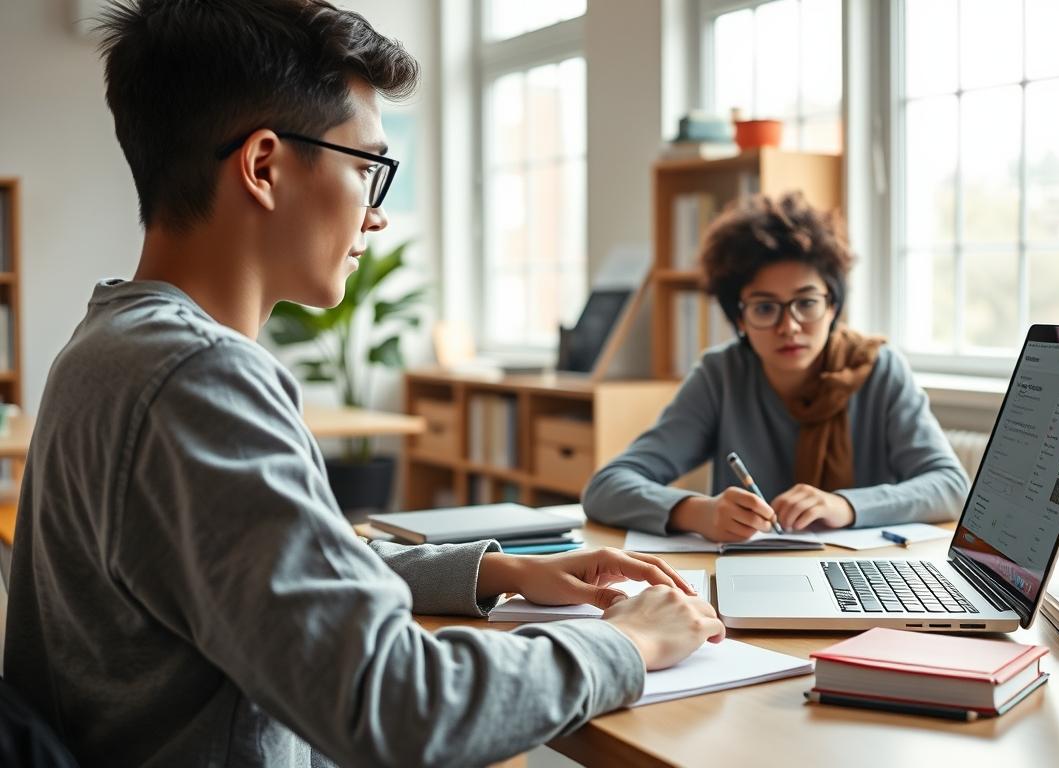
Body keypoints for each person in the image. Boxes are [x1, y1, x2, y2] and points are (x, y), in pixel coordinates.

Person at [2, 2, 723, 766]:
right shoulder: (197, 376)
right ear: (264, 166)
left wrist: (496, 573)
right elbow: (396, 704)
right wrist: (627, 641)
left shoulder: (111, 339)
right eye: (366, 169)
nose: (376, 218)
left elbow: (262, 577)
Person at [583, 193, 969, 541]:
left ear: (833, 305)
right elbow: (606, 487)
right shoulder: (721, 375)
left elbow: (951, 485)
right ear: (739, 319)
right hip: (747, 580)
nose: (790, 327)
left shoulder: (879, 369)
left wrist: (846, 506)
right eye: (765, 308)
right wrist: (697, 511)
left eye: (806, 302)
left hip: (865, 580)